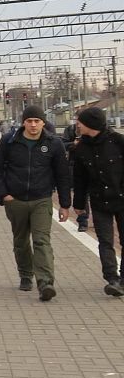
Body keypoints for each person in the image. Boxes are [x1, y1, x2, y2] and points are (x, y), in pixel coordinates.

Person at [0, 104, 71, 301]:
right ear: (23, 122)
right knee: (21, 241)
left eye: (37, 121)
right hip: (15, 200)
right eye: (29, 121)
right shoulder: (9, 141)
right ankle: (26, 275)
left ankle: (45, 283)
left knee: (42, 240)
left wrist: (65, 204)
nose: (33, 125)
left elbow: (62, 175)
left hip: (41, 200)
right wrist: (4, 195)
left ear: (43, 122)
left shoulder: (54, 143)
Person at [69, 107, 124, 296]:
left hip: (122, 198)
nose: (77, 124)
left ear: (90, 124)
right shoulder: (81, 148)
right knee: (105, 241)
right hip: (99, 201)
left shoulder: (118, 142)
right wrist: (78, 204)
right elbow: (80, 179)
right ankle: (112, 279)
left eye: (80, 122)